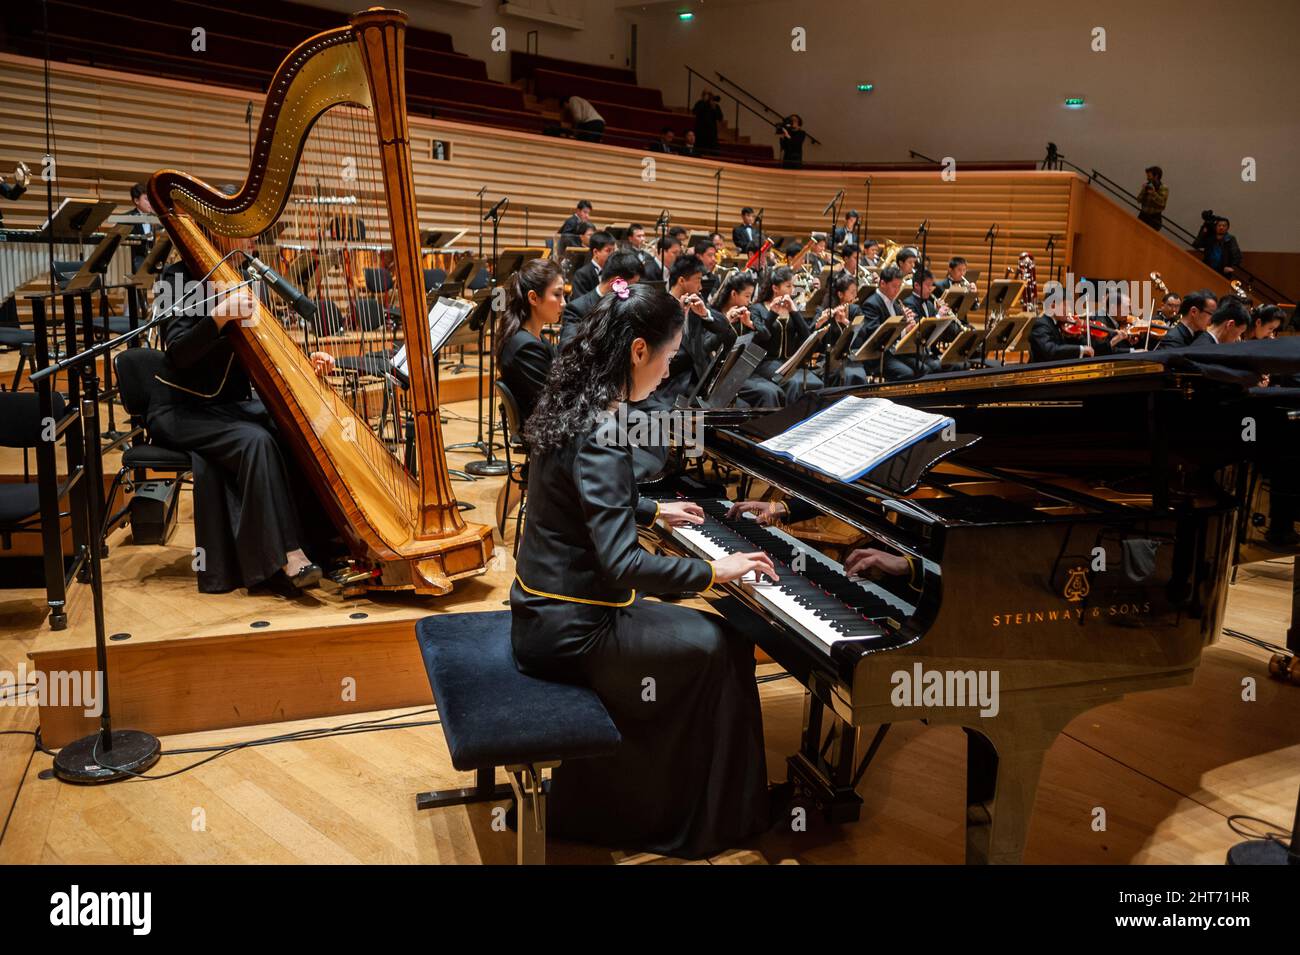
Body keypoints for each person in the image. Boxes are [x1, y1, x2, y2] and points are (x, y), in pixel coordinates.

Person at [511, 281, 775, 859]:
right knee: (722, 642)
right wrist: (716, 571)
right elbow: (624, 564)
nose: (670, 366)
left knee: (721, 641)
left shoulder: (577, 402)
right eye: (671, 354)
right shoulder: (605, 430)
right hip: (577, 628)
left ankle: (694, 799)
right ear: (637, 350)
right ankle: (695, 818)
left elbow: (575, 496)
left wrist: (653, 508)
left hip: (542, 608)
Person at [149, 263, 336, 594]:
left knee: (297, 429)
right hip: (181, 408)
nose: (250, 240)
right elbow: (177, 353)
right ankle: (284, 556)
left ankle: (329, 546)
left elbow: (260, 348)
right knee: (257, 440)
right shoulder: (176, 278)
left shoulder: (243, 277)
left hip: (229, 404)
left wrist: (305, 367)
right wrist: (218, 318)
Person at [497, 259, 563, 424]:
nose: (563, 303)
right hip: (547, 436)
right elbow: (554, 402)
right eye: (557, 294)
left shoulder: (534, 339)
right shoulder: (526, 347)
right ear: (534, 298)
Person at [708, 269, 783, 408]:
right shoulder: (714, 314)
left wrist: (750, 324)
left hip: (743, 371)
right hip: (721, 375)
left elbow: (766, 335)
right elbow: (709, 345)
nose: (749, 301)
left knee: (776, 391)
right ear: (734, 294)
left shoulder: (748, 312)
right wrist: (726, 321)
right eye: (747, 296)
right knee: (768, 393)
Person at [560, 249, 645, 347]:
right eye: (631, 286)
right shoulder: (576, 309)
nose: (633, 291)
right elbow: (568, 348)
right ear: (616, 282)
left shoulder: (630, 307)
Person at [849, 265, 918, 380]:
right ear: (882, 284)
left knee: (921, 367)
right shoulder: (871, 304)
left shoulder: (895, 304)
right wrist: (904, 330)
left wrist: (907, 323)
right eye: (894, 286)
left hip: (893, 352)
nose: (897, 290)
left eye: (899, 286)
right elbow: (875, 334)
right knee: (906, 373)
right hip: (877, 356)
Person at [571, 231, 614, 298]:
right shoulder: (581, 275)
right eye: (608, 251)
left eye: (613, 251)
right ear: (596, 252)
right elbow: (581, 303)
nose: (612, 254)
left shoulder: (613, 272)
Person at [1137, 166, 1168, 230]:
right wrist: (1144, 191)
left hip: (1154, 219)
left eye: (1149, 176)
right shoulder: (1147, 185)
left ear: (1156, 176)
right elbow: (1138, 200)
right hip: (1143, 215)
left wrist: (1153, 193)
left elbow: (1162, 204)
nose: (1147, 178)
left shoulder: (1163, 188)